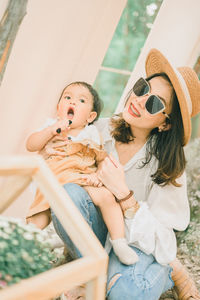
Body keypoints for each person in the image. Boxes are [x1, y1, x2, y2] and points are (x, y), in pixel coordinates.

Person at [50, 49, 200, 300]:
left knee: (128, 292)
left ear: (166, 123)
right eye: (142, 88)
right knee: (67, 195)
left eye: (154, 103)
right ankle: (98, 272)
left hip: (138, 248)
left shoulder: (169, 167)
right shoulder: (98, 131)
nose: (139, 100)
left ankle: (167, 272)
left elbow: (164, 243)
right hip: (99, 238)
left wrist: (123, 195)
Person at [26, 81, 139, 265]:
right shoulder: (51, 127)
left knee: (107, 198)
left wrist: (97, 175)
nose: (73, 102)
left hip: (82, 179)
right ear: (58, 108)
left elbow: (102, 159)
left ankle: (119, 243)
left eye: (81, 100)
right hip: (53, 180)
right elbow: (31, 144)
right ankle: (20, 247)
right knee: (37, 220)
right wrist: (50, 132)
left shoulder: (92, 133)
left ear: (90, 116)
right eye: (67, 97)